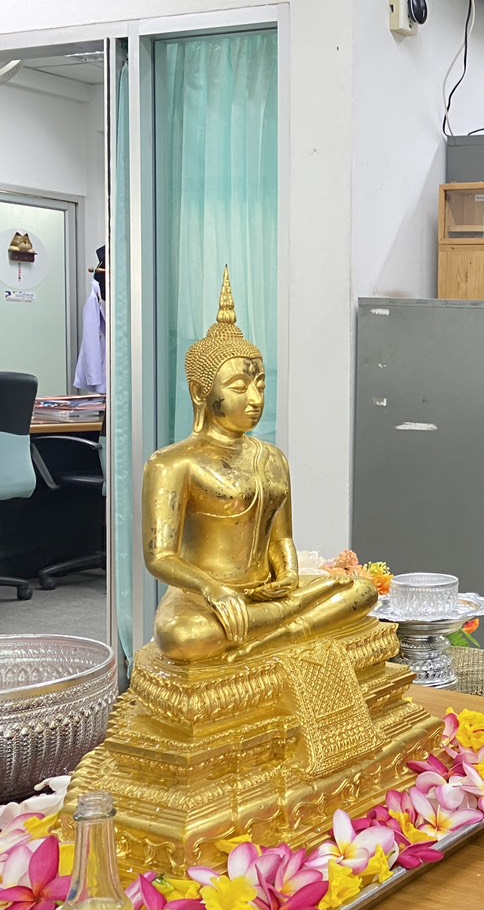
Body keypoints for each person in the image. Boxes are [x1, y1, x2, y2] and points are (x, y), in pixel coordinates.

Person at [143, 270, 377, 663]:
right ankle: (288, 626)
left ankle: (273, 633)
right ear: (200, 392)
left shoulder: (272, 458)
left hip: (266, 595)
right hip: (203, 598)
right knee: (183, 637)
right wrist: (213, 589)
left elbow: (280, 538)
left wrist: (287, 575)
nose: (254, 399)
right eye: (239, 387)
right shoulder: (172, 463)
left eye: (261, 385)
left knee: (362, 591)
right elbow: (160, 557)